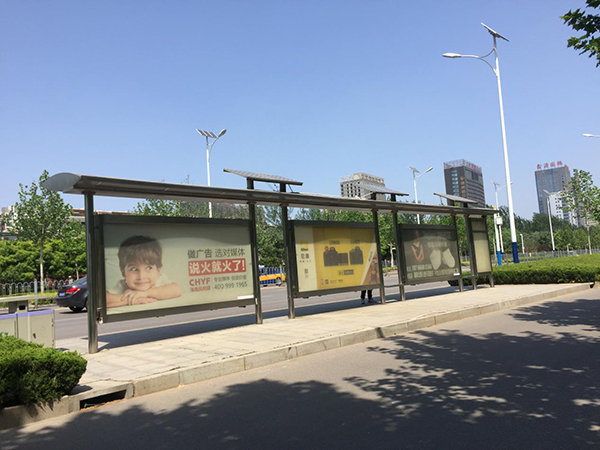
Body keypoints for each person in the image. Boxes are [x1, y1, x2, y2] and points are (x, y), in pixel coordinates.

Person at [106, 235, 182, 308]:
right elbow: (101, 300)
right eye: (134, 269)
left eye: (149, 268)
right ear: (123, 272)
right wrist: (130, 299)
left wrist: (145, 293)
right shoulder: (123, 285)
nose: (141, 276)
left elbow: (177, 290)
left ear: (158, 271)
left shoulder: (159, 280)